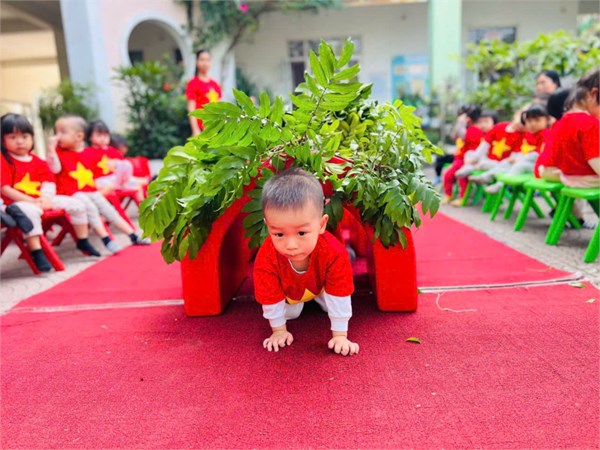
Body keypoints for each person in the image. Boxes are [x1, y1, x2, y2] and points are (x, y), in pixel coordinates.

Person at [253, 168, 359, 356]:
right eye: (279, 234)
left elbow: (340, 292)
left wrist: (340, 335)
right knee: (291, 313)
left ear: (321, 224)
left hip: (323, 286)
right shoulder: (267, 257)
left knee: (331, 306)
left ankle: (350, 255)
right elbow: (269, 295)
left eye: (301, 233)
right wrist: (279, 330)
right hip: (290, 293)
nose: (291, 245)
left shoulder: (333, 251)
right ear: (268, 226)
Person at [1, 113, 101, 271]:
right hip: (15, 204)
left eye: (25, 136)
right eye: (12, 137)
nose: (20, 141)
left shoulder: (38, 161)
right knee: (31, 212)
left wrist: (46, 198)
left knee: (77, 205)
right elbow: (5, 189)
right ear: (2, 140)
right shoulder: (4, 160)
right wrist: (32, 201)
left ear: (32, 138)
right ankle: (36, 251)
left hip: (41, 199)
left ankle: (82, 240)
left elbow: (48, 182)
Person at [46, 115, 150, 254]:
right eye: (56, 132)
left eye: (62, 132)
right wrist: (51, 149)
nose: (57, 137)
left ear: (79, 136)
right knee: (91, 209)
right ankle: (106, 239)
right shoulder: (59, 153)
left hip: (90, 190)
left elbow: (95, 174)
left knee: (109, 211)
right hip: (71, 193)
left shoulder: (87, 153)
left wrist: (106, 182)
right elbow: (54, 168)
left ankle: (133, 235)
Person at [540, 69, 599, 188]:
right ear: (594, 94)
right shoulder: (590, 124)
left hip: (565, 177)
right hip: (586, 180)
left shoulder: (562, 122)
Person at [476, 104, 551, 194]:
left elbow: (538, 155)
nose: (533, 124)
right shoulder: (528, 134)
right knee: (506, 163)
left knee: (520, 166)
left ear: (547, 120)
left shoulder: (546, 134)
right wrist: (514, 158)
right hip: (524, 162)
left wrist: (520, 159)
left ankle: (500, 185)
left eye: (537, 120)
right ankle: (487, 176)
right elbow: (520, 151)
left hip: (537, 167)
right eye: (529, 121)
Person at [442, 107, 497, 205]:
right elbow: (457, 136)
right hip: (465, 160)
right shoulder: (473, 130)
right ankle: (450, 195)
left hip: (480, 162)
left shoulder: (493, 134)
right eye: (480, 122)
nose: (483, 125)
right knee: (450, 174)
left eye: (486, 122)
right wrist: (461, 123)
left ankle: (464, 197)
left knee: (460, 174)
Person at [186, 49, 222, 136]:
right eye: (202, 60)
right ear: (196, 62)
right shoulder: (193, 83)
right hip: (201, 129)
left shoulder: (215, 84)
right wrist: (195, 130)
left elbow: (219, 107)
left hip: (215, 128)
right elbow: (191, 108)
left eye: (207, 60)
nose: (205, 63)